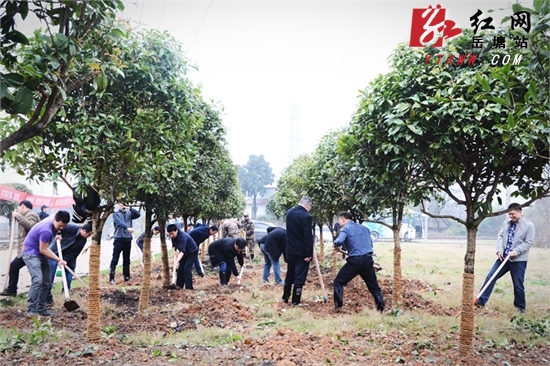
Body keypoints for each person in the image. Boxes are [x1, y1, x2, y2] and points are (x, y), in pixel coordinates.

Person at [475, 203, 535, 313]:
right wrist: (499, 250)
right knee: (490, 277)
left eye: (513, 214)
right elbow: (500, 236)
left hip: (518, 260)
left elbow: (528, 242)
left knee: (518, 285)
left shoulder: (529, 225)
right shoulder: (506, 223)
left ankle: (520, 308)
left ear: (520, 212)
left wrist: (516, 251)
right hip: (503, 259)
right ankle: (480, 302)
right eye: (509, 214)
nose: (511, 216)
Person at [332, 211, 385, 311]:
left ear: (343, 219)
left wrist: (336, 245)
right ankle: (381, 308)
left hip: (355, 262)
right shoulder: (365, 228)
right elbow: (369, 245)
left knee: (338, 282)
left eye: (339, 220)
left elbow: (339, 241)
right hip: (368, 260)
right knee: (374, 286)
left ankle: (338, 307)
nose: (339, 223)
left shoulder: (346, 229)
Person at [21, 211, 70, 316]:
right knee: (38, 280)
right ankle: (32, 309)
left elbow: (57, 228)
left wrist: (58, 233)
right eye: (60, 226)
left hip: (40, 253)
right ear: (54, 220)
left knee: (47, 282)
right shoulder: (46, 230)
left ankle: (41, 308)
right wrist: (58, 260)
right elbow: (43, 250)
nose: (61, 228)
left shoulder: (54, 218)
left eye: (63, 226)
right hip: (31, 253)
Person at [46, 223, 93, 306]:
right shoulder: (72, 228)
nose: (89, 236)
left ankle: (66, 290)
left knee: (70, 269)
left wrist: (65, 260)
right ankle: (47, 295)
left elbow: (75, 253)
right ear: (84, 231)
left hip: (68, 256)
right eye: (89, 234)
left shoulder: (83, 241)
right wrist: (58, 234)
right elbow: (58, 227)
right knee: (51, 273)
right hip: (55, 251)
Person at [0, 200, 41, 297]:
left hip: (30, 250)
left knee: (16, 267)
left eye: (18, 208)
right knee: (14, 267)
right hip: (25, 249)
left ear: (22, 206)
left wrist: (17, 216)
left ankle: (12, 290)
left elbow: (30, 226)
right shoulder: (27, 215)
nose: (17, 210)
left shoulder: (32, 215)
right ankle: (12, 289)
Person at [282, 196, 313, 306]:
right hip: (301, 251)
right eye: (310, 207)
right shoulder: (306, 216)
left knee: (290, 273)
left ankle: (285, 297)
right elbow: (307, 236)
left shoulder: (290, 212)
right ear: (308, 205)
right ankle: (296, 300)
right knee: (300, 275)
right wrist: (309, 253)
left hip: (290, 250)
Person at [109, 203, 140, 284]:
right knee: (115, 259)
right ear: (119, 204)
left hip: (128, 239)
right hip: (118, 239)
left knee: (127, 259)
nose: (123, 206)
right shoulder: (115, 214)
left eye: (125, 204)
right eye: (122, 204)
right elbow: (119, 223)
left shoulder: (129, 213)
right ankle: (111, 278)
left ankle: (127, 277)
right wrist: (127, 227)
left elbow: (138, 214)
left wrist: (129, 208)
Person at [167, 224, 199, 290]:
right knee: (180, 269)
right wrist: (174, 253)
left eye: (172, 234)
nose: (171, 235)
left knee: (187, 268)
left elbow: (182, 252)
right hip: (185, 252)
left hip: (192, 252)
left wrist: (176, 261)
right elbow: (174, 246)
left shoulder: (182, 237)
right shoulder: (173, 236)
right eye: (169, 234)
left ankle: (189, 288)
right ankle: (179, 286)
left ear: (176, 231)